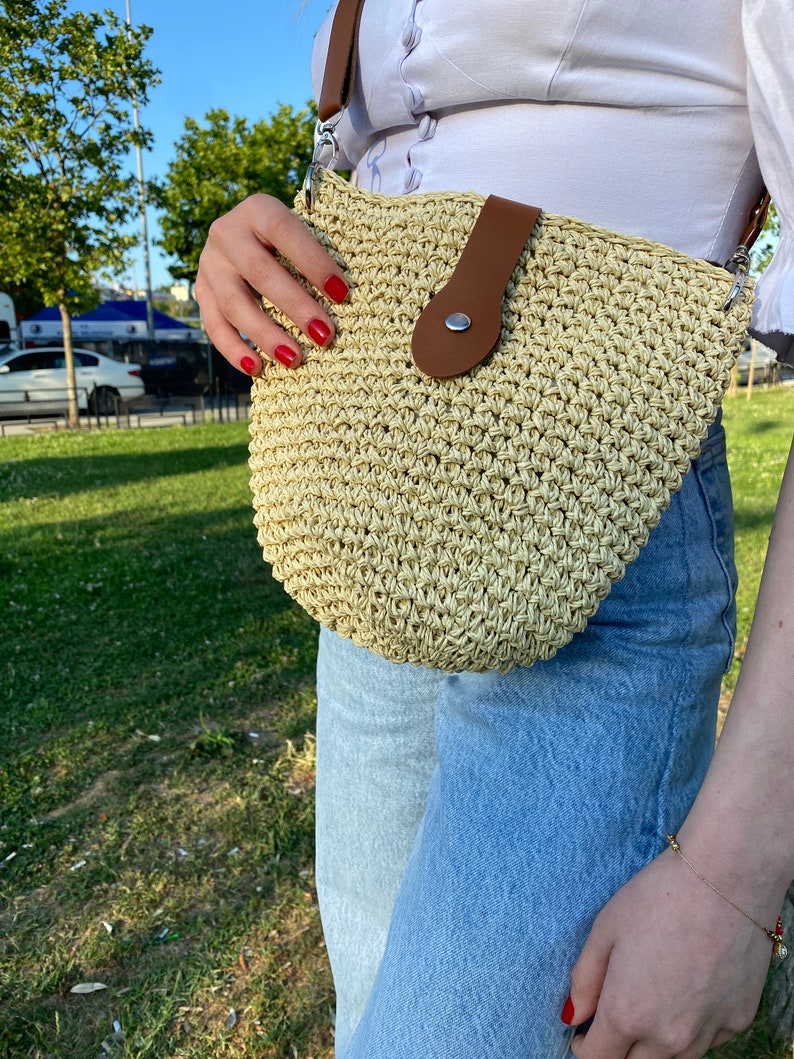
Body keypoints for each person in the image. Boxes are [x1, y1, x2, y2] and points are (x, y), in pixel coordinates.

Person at [195, 2, 794, 1056]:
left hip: (602, 526)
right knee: (370, 1018)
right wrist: (248, 248)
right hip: (370, 531)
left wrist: (732, 876)